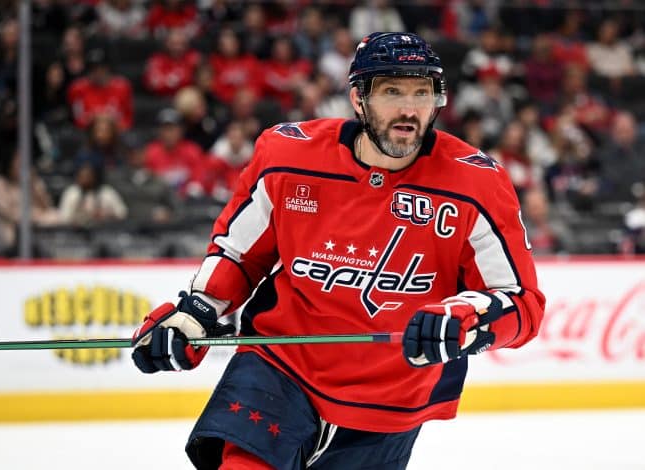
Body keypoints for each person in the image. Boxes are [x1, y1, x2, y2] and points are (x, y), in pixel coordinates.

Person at [130, 32, 545, 470]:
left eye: (422, 93)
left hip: (390, 400)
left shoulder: (476, 183)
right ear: (357, 98)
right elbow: (239, 254)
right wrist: (197, 311)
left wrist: (468, 320)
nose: (409, 109)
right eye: (392, 92)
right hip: (280, 367)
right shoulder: (287, 155)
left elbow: (522, 303)